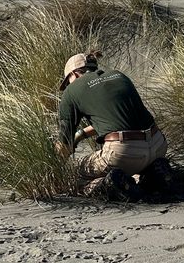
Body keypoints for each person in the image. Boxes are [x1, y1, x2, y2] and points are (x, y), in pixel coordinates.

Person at [56, 52, 174, 199]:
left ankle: (112, 184)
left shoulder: (71, 92)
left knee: (75, 176)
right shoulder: (118, 75)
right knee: (137, 165)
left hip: (123, 153)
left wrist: (56, 167)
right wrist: (81, 134)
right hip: (158, 145)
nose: (68, 85)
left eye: (67, 82)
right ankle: (154, 176)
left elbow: (65, 143)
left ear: (74, 74)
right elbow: (120, 120)